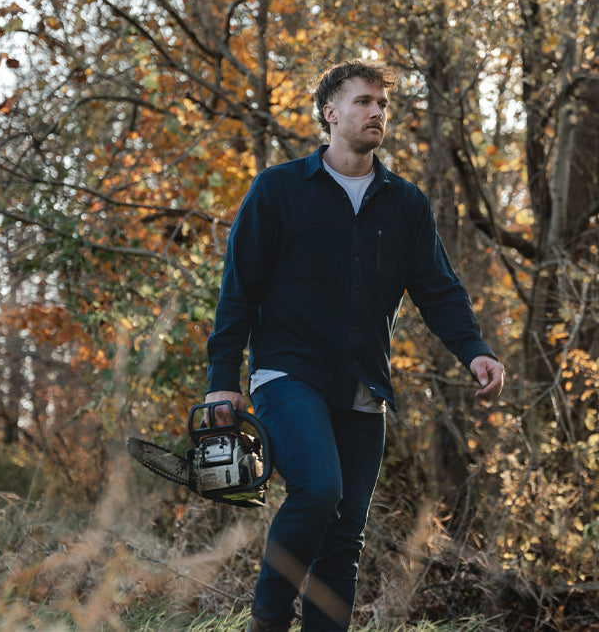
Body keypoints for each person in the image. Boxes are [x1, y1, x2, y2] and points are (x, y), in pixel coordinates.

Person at [202, 59, 504, 632]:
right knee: (318, 491)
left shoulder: (404, 203)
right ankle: (267, 620)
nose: (376, 113)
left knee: (343, 536)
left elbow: (438, 290)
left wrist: (475, 350)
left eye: (382, 105)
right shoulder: (278, 190)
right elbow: (238, 290)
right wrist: (223, 377)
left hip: (365, 385)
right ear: (330, 112)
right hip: (288, 374)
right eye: (363, 101)